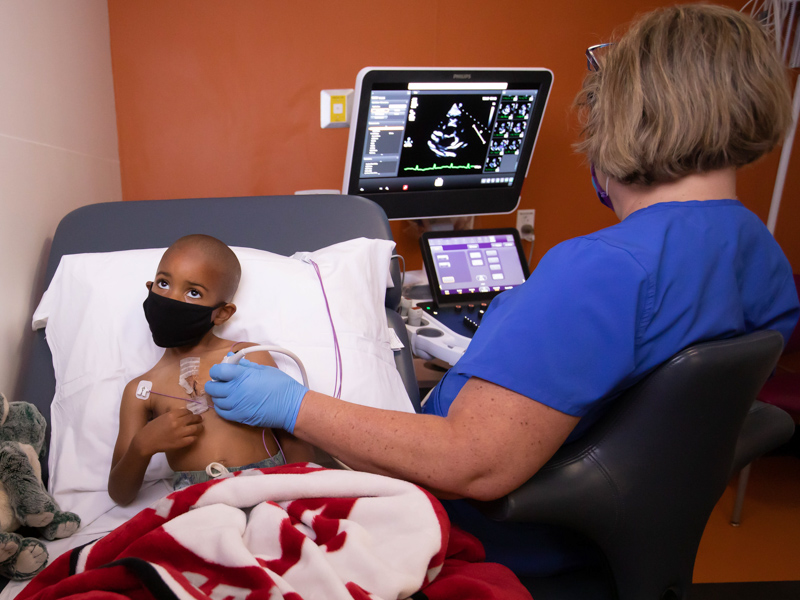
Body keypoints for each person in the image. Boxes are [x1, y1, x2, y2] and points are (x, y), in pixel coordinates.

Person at [204, 4, 800, 576]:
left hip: (485, 529)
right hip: (611, 526)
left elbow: (473, 463)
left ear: (623, 113)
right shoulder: (761, 255)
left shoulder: (606, 270)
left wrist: (294, 404)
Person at [108, 234, 313, 506]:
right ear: (150, 287)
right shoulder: (142, 389)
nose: (171, 299)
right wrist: (142, 446)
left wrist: (300, 495)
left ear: (222, 313)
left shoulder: (248, 356)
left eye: (193, 292)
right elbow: (120, 494)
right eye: (163, 283)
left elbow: (292, 432)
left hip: (267, 488)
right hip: (195, 503)